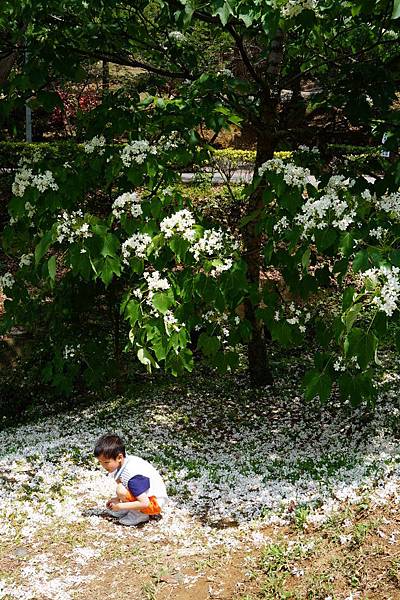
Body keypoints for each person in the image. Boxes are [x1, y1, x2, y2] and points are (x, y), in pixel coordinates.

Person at [94, 433, 168, 526]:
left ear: (119, 457)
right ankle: (130, 509)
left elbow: (145, 503)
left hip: (154, 503)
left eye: (106, 462)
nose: (103, 466)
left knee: (121, 490)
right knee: (121, 488)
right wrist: (117, 499)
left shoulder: (132, 475)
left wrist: (120, 506)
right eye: (100, 462)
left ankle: (139, 514)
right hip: (146, 497)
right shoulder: (125, 462)